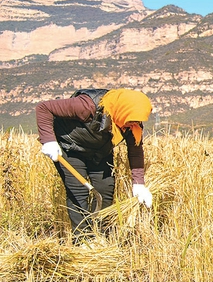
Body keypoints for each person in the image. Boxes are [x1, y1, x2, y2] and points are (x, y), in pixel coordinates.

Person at [35, 88, 154, 241]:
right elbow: (44, 108)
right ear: (123, 111)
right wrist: (48, 140)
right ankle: (83, 240)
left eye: (138, 121)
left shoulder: (131, 123)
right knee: (78, 192)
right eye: (132, 121)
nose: (134, 124)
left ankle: (100, 236)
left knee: (105, 190)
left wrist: (139, 183)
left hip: (99, 152)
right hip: (71, 148)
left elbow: (135, 151)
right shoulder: (87, 106)